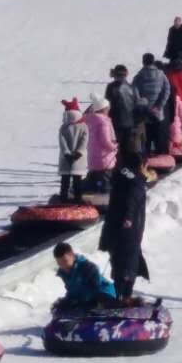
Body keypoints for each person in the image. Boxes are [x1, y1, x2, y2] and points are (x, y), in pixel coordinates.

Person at [99, 151, 148, 301]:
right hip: (128, 233)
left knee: (120, 265)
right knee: (128, 268)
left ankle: (121, 297)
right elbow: (131, 201)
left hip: (113, 230)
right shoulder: (135, 182)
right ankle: (123, 299)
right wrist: (128, 219)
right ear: (141, 165)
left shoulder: (120, 177)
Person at [52, 242, 118, 312]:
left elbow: (96, 288)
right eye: (59, 263)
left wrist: (85, 302)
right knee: (59, 307)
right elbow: (73, 291)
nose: (63, 266)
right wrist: (65, 301)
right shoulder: (64, 273)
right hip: (85, 300)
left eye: (65, 261)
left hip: (105, 294)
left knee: (101, 301)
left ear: (72, 256)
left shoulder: (86, 267)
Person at [132, 54, 172, 155]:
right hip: (158, 112)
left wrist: (141, 105)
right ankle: (160, 156)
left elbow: (134, 92)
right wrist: (159, 106)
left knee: (146, 137)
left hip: (145, 112)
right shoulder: (161, 74)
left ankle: (147, 157)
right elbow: (167, 90)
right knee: (159, 135)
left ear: (143, 62)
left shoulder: (139, 76)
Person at [82, 96, 118, 195]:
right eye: (108, 108)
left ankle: (86, 190)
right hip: (104, 158)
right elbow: (105, 141)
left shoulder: (90, 119)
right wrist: (114, 146)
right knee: (105, 179)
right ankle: (105, 196)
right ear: (104, 109)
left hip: (93, 156)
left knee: (94, 177)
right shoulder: (103, 122)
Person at [105, 65, 142, 154]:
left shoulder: (111, 87)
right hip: (130, 122)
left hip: (116, 122)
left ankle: (118, 165)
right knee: (128, 148)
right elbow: (138, 105)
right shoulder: (133, 87)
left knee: (117, 147)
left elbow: (107, 105)